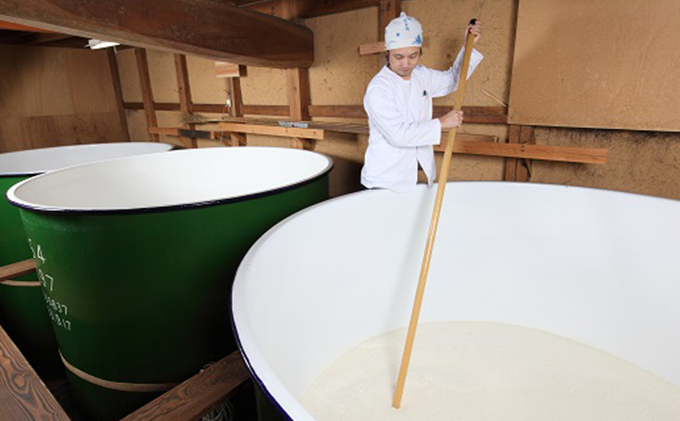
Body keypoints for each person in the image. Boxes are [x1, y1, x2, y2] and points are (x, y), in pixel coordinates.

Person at [361, 13, 483, 192]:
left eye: (413, 56)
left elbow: (453, 80)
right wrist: (442, 123)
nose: (406, 63)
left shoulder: (421, 75)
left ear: (420, 52)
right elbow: (399, 135)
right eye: (398, 57)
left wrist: (468, 46)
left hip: (415, 173)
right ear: (388, 53)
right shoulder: (379, 89)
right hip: (386, 179)